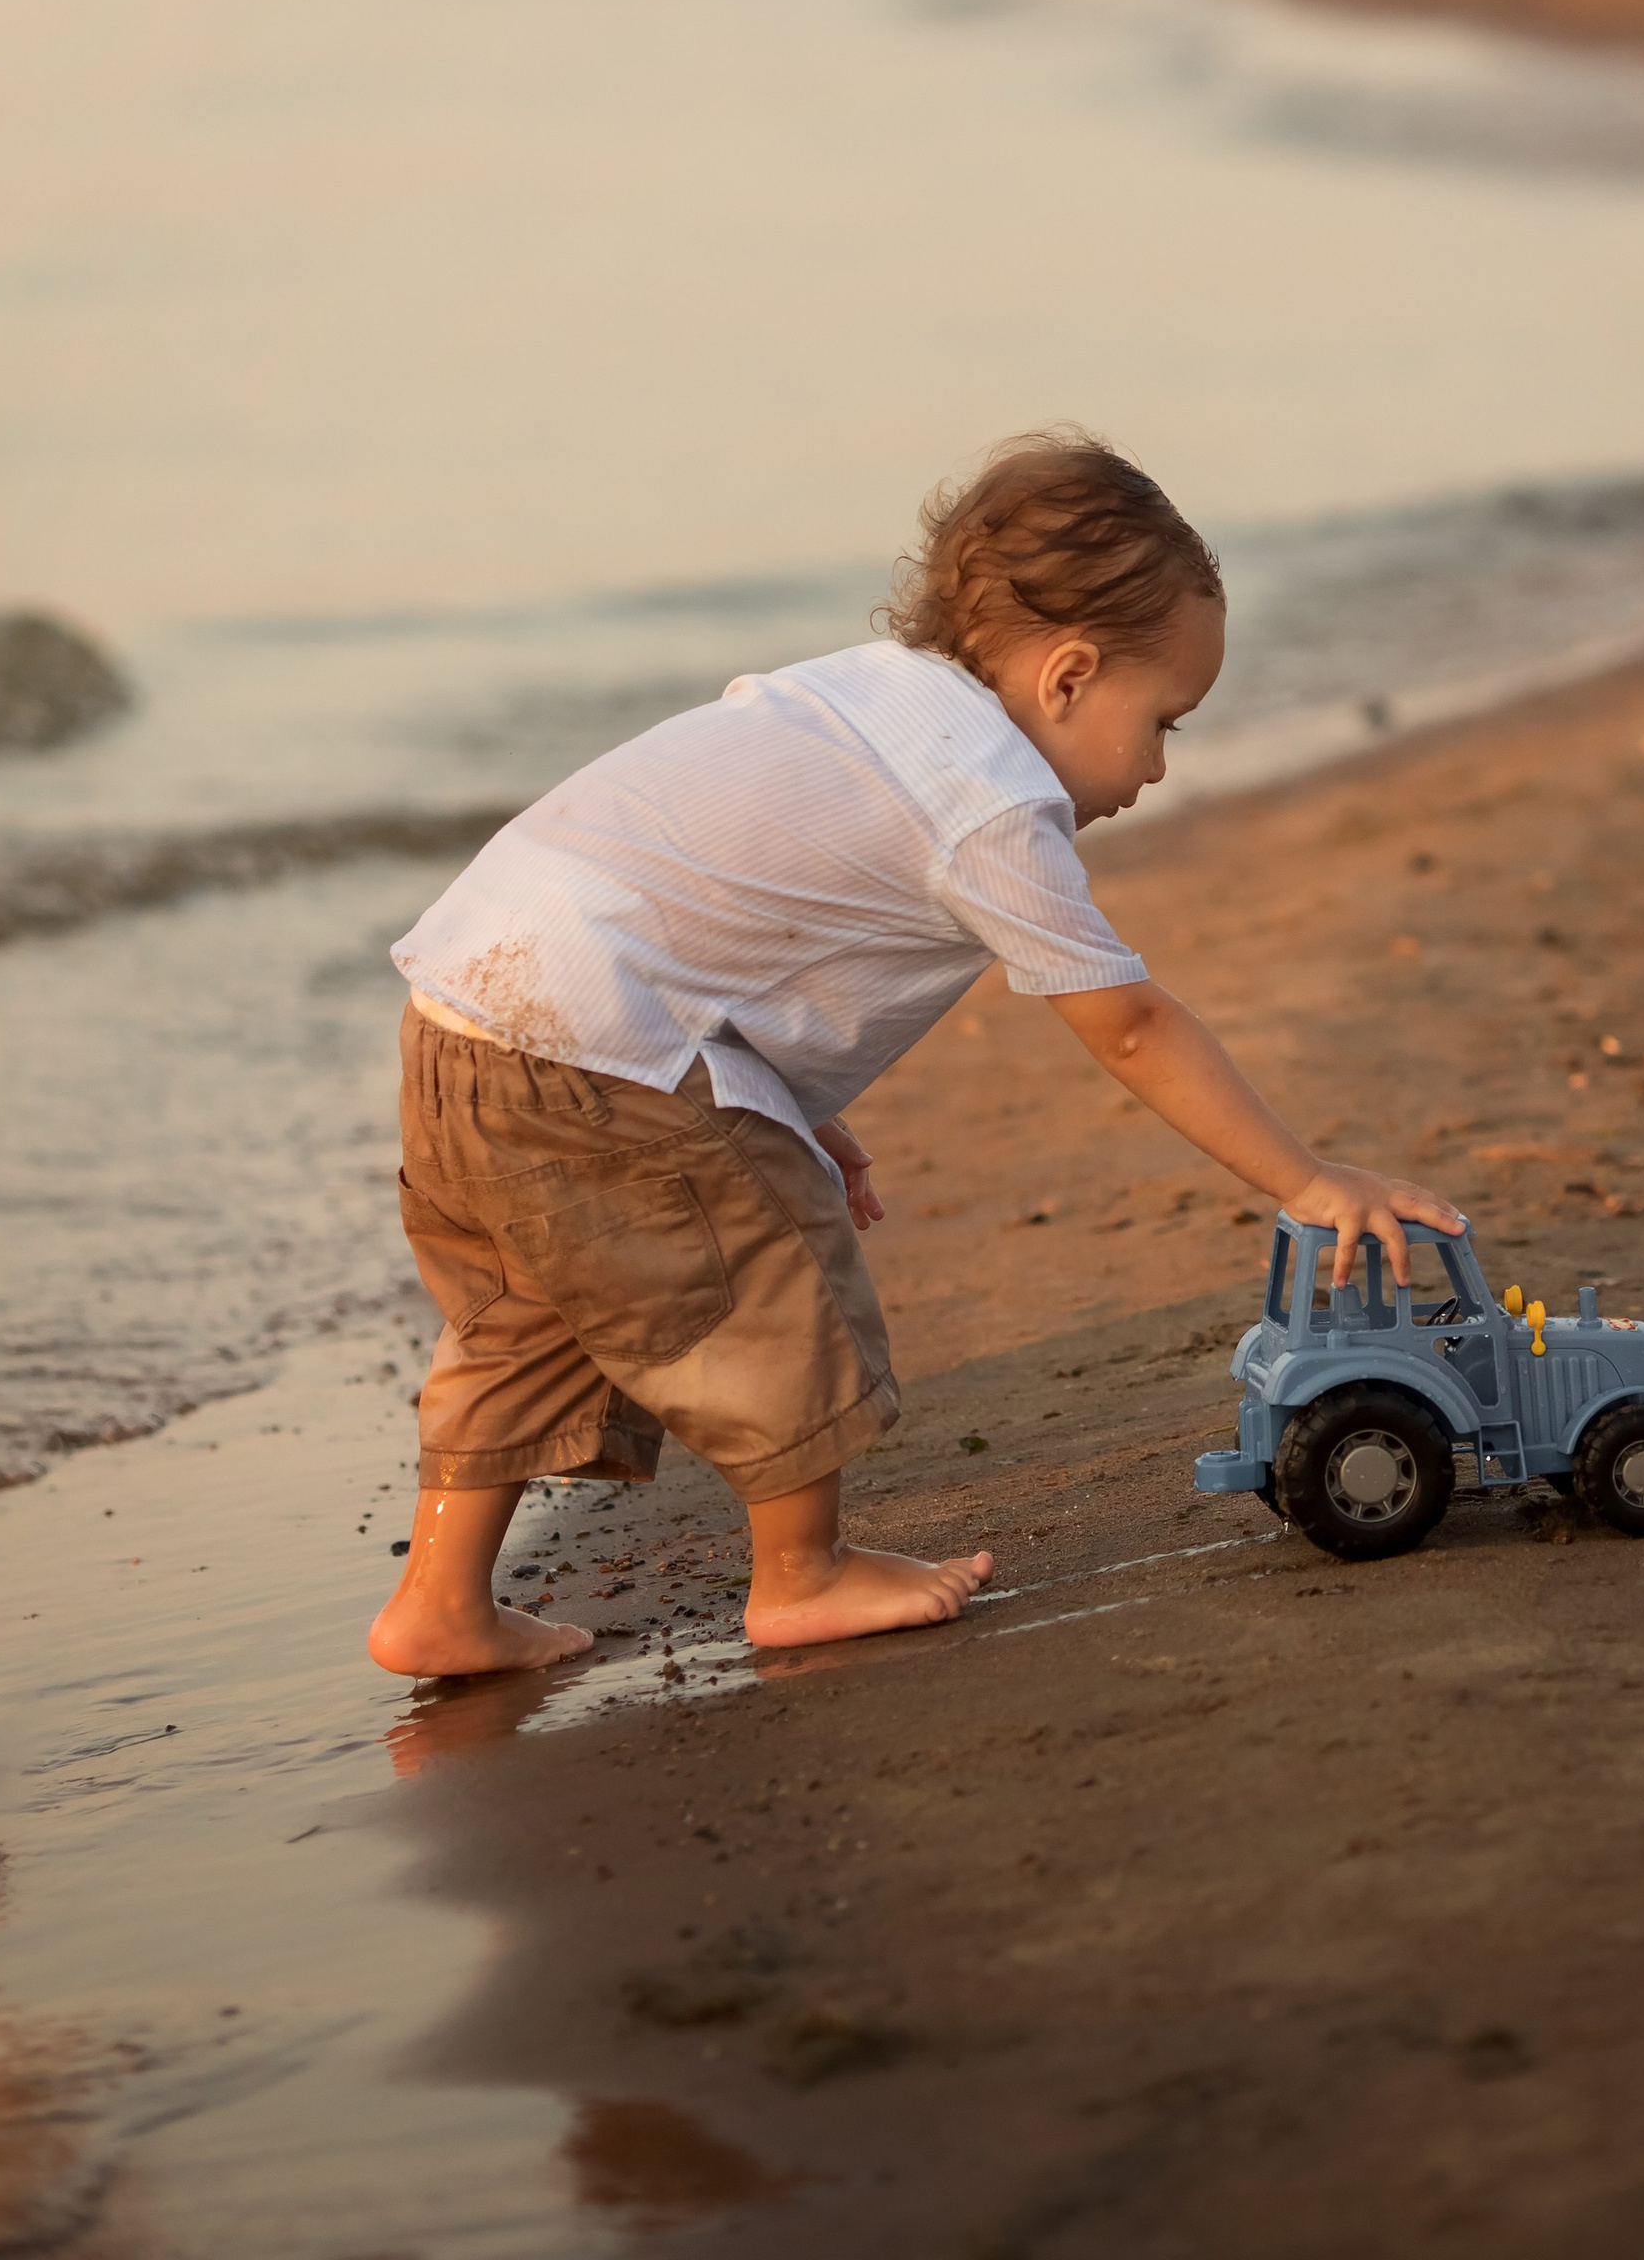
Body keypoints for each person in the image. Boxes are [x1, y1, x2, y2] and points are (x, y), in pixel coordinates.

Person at [369, 431, 1463, 1676]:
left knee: (522, 1320)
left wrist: (776, 1104)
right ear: (1067, 676)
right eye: (1162, 722)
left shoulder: (861, 692)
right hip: (602, 1051)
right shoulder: (992, 799)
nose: (1159, 767)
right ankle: (802, 1575)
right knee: (772, 1269)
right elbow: (1131, 1022)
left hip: (460, 1017)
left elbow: (723, 915)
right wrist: (1307, 1180)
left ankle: (440, 1601)